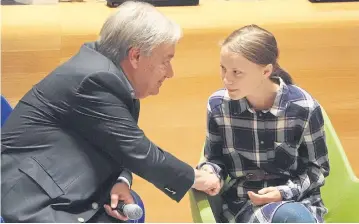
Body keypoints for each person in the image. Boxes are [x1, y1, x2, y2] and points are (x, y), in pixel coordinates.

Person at [0, 1, 220, 222]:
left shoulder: (112, 75)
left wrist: (122, 180)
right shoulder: (95, 80)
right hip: (30, 196)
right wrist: (196, 178)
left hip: (64, 178)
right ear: (135, 56)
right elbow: (138, 150)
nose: (170, 73)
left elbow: (117, 144)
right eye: (165, 61)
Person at [196, 24, 330, 223]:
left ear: (266, 71)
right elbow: (215, 159)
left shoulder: (304, 107)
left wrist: (282, 192)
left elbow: (317, 169)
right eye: (223, 69)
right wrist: (210, 173)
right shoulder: (218, 105)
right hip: (243, 204)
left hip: (297, 202)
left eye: (237, 72)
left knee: (290, 217)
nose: (226, 79)